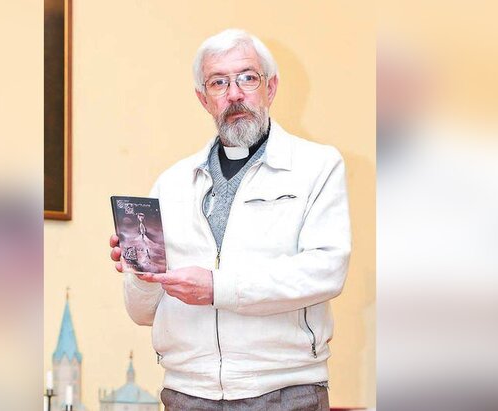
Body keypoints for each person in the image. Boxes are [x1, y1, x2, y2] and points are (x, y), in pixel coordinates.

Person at [109, 28, 351, 410]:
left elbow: (326, 270)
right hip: (187, 394)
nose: (235, 93)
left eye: (247, 78)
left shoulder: (317, 167)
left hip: (286, 392)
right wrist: (142, 272)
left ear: (271, 87)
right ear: (203, 99)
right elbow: (141, 313)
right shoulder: (171, 184)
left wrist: (217, 287)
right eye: (219, 82)